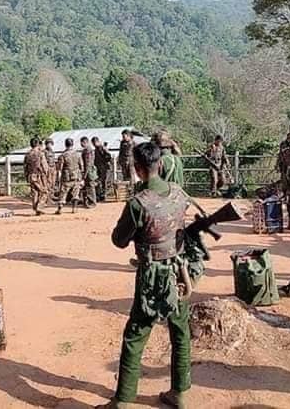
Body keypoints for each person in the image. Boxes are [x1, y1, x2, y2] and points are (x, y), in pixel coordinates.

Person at [98, 142, 191, 409]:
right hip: (179, 273)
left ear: (137, 169)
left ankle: (123, 400)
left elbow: (119, 240)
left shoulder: (138, 203)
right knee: (180, 331)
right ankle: (180, 393)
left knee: (136, 334)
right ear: (160, 164)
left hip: (152, 276)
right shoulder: (178, 192)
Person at [56, 138, 83, 214]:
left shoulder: (63, 155)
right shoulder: (77, 154)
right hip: (76, 176)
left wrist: (58, 178)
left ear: (65, 144)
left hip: (66, 177)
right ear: (72, 144)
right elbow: (81, 166)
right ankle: (74, 208)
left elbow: (60, 168)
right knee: (75, 193)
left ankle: (60, 209)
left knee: (63, 192)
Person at [23, 138, 49, 215]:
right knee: (44, 192)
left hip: (31, 175)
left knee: (34, 192)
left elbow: (25, 167)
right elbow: (45, 166)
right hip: (38, 176)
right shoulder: (40, 154)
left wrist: (26, 176)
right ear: (37, 144)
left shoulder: (27, 155)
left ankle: (36, 208)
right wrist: (46, 174)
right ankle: (39, 207)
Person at [93, 137, 112, 201]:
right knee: (99, 181)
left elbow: (109, 156)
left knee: (105, 181)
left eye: (94, 143)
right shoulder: (96, 149)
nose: (94, 145)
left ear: (97, 141)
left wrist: (105, 161)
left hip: (105, 168)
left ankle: (104, 195)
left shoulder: (103, 148)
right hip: (99, 168)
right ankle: (100, 194)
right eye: (93, 144)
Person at [80, 136, 98, 208]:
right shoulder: (86, 150)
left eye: (82, 143)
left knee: (90, 186)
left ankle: (93, 202)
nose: (81, 144)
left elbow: (88, 163)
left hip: (89, 171)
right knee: (87, 187)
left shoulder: (88, 150)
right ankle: (88, 201)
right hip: (88, 170)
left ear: (85, 142)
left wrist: (84, 175)